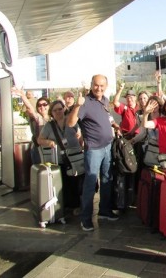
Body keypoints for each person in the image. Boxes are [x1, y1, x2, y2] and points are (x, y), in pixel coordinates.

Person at [67, 74, 118, 232]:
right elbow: (70, 123)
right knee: (90, 184)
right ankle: (86, 219)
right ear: (91, 85)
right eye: (96, 85)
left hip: (107, 146)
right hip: (93, 149)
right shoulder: (85, 103)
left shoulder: (104, 100)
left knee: (107, 180)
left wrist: (114, 125)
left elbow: (105, 118)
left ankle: (104, 211)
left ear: (106, 86)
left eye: (102, 85)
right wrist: (77, 105)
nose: (99, 88)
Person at [37, 99, 83, 211]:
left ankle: (76, 206)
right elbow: (39, 140)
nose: (58, 112)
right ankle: (65, 206)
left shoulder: (72, 121)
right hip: (60, 160)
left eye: (60, 109)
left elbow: (80, 137)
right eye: (55, 110)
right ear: (51, 113)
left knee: (75, 183)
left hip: (74, 159)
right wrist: (49, 142)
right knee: (63, 184)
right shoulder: (49, 126)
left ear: (64, 109)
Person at [12, 87, 50, 165]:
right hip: (38, 149)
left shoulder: (53, 118)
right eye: (39, 105)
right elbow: (30, 108)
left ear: (49, 106)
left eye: (44, 104)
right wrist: (22, 96)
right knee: (40, 172)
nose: (42, 107)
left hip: (51, 148)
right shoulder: (37, 118)